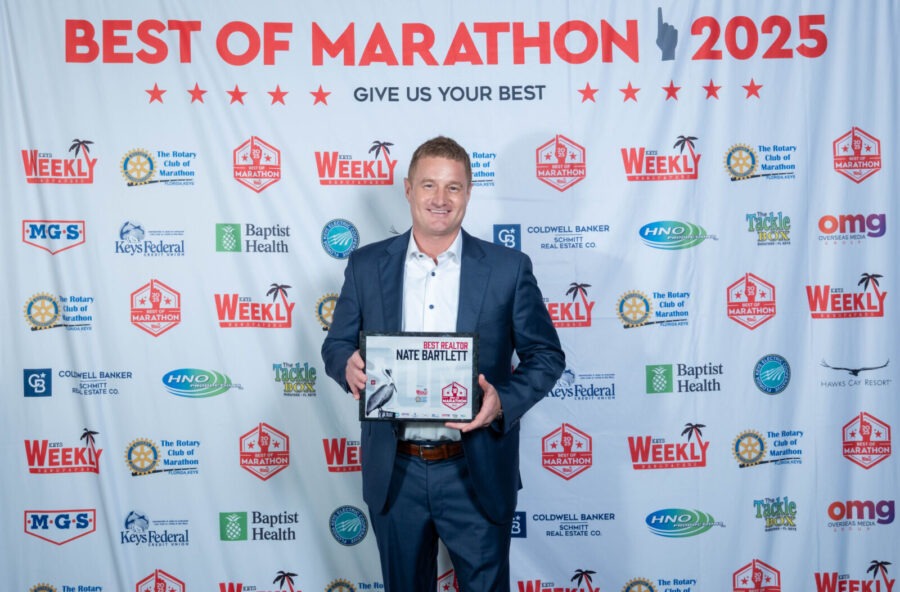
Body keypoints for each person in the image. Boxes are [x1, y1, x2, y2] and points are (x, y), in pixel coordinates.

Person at [321, 136, 564, 591]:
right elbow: (336, 344)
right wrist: (346, 366)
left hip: (475, 470)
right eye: (429, 185)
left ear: (468, 193)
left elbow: (546, 355)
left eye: (453, 188)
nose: (440, 199)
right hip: (396, 472)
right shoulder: (366, 264)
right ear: (409, 189)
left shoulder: (508, 268)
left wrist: (502, 401)